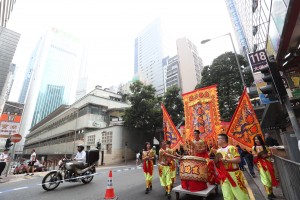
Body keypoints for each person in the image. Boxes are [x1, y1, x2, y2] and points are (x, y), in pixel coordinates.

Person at [216, 134, 250, 200]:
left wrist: (226, 160)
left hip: (234, 174)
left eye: (218, 138)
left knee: (240, 194)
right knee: (227, 195)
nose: (217, 140)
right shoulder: (218, 151)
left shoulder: (232, 148)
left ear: (223, 140)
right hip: (223, 175)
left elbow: (238, 160)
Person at [252, 135, 279, 200]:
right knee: (265, 179)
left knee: (270, 178)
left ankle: (271, 192)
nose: (256, 141)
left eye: (258, 139)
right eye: (255, 139)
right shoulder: (253, 148)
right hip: (260, 165)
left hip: (268, 163)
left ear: (260, 140)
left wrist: (266, 155)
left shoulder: (265, 146)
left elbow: (269, 153)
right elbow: (254, 155)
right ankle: (268, 194)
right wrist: (258, 155)